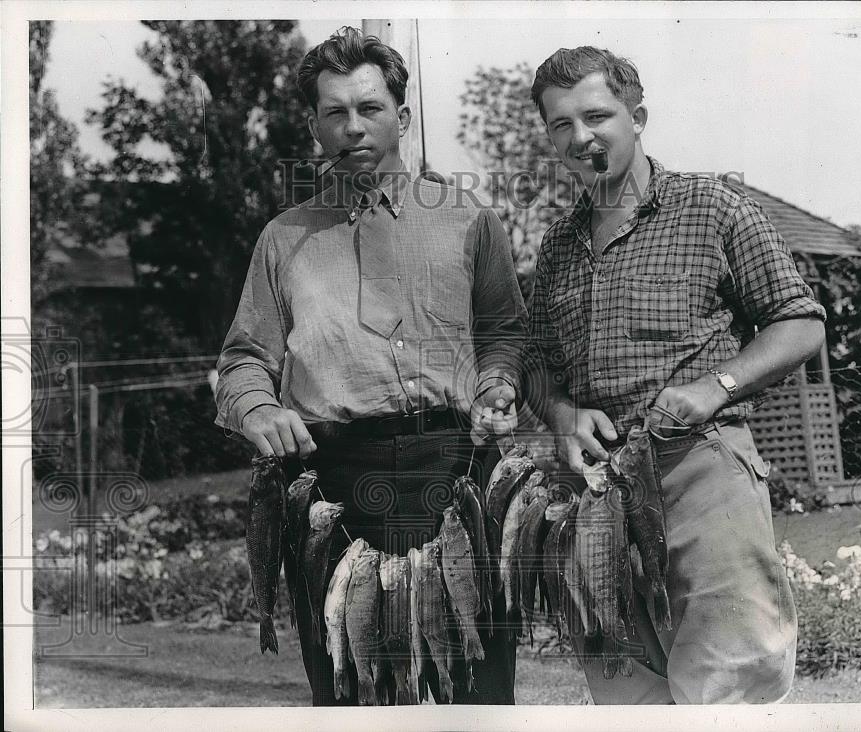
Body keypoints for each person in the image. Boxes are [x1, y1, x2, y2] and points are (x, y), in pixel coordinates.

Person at [214, 27, 526, 705]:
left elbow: (506, 332)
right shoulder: (283, 239)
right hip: (331, 483)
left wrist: (500, 381)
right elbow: (243, 361)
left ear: (402, 116)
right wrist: (260, 409)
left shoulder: (468, 220)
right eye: (335, 113)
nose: (353, 127)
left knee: (472, 684)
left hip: (455, 470)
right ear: (315, 126)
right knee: (354, 688)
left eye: (370, 108)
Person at [524, 46, 827, 704]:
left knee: (729, 682)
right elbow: (538, 367)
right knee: (624, 693)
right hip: (595, 495)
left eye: (597, 116)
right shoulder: (554, 248)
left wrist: (715, 386)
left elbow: (800, 322)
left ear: (638, 116)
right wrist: (562, 416)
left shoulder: (713, 208)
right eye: (560, 125)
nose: (582, 138)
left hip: (700, 471)